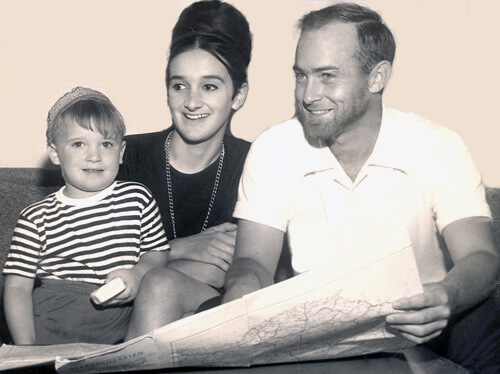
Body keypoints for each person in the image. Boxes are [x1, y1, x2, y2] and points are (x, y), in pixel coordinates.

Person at [222, 2, 499, 369]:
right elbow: (253, 259)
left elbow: (481, 257)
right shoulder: (273, 148)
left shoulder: (439, 146)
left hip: (429, 323)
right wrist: (242, 291)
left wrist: (448, 295)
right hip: (320, 328)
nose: (307, 94)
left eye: (327, 76)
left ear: (377, 77)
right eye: (301, 76)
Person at [121, 0, 252, 339]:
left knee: (161, 283)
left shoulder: (257, 164)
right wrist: (180, 249)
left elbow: (243, 275)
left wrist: (151, 265)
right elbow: (87, 259)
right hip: (118, 319)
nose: (192, 102)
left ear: (238, 95)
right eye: (180, 85)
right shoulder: (125, 155)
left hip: (219, 323)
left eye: (210, 86)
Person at [2, 86, 170, 345]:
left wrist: (138, 274)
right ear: (56, 154)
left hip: (120, 331)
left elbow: (157, 253)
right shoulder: (35, 217)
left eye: (106, 143)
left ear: (121, 152)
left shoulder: (138, 198)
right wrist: (27, 349)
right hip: (51, 329)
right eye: (79, 144)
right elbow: (16, 288)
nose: (94, 156)